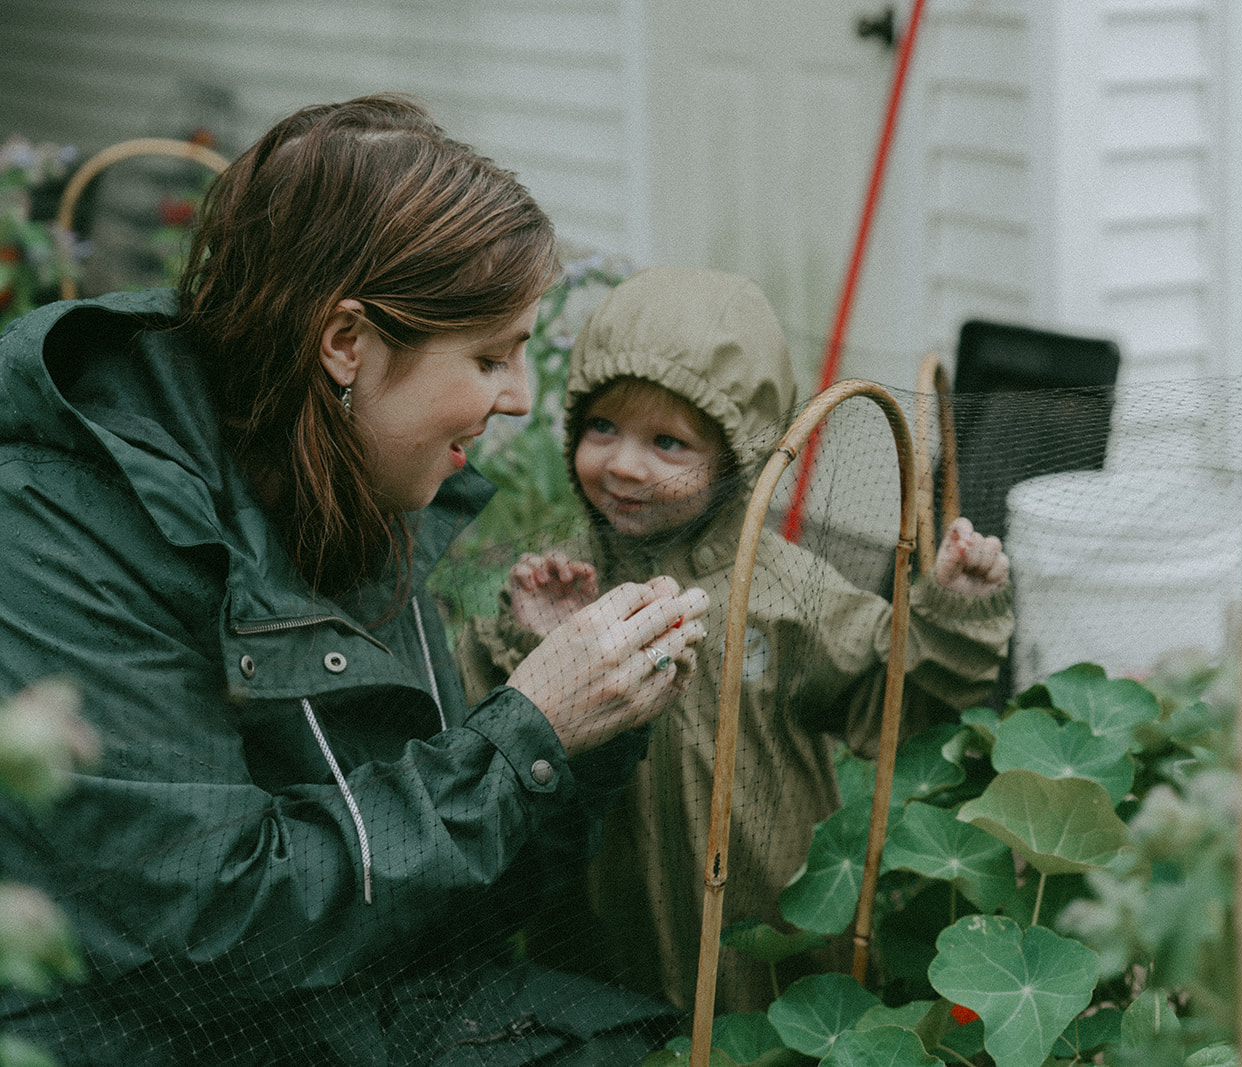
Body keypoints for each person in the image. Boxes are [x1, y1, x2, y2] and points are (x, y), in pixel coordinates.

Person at [0, 95, 710, 1066]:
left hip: (330, 1005)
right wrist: (523, 731)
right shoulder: (66, 526)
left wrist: (581, 730)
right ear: (345, 342)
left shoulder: (340, 471)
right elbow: (217, 923)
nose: (521, 398)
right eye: (490, 356)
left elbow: (429, 899)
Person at [455, 266, 1014, 1014]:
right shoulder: (569, 582)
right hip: (594, 959)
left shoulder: (784, 593)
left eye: (667, 442)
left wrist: (951, 610)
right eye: (601, 427)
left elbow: (893, 692)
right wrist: (534, 642)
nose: (624, 463)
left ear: (736, 457)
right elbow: (481, 730)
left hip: (768, 957)